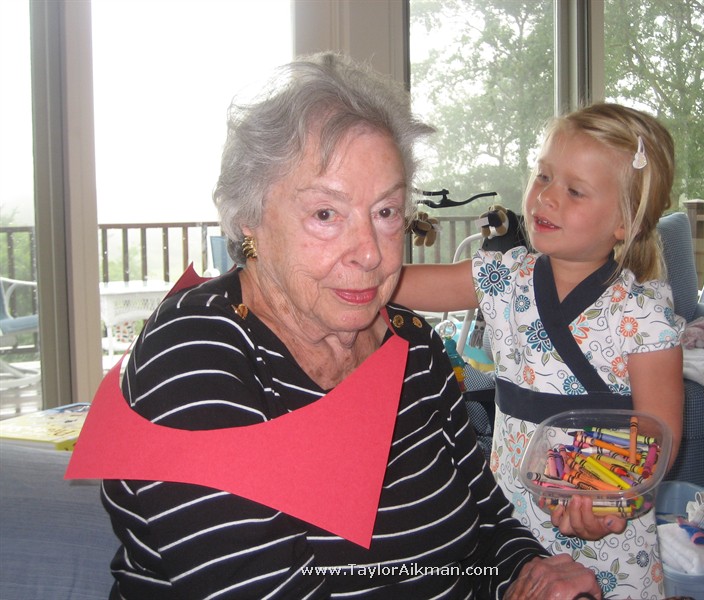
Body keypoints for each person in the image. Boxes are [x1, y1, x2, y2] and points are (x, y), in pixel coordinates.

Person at [95, 53, 602, 599]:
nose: (370, 253)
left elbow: (487, 522)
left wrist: (532, 574)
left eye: (385, 212)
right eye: (325, 214)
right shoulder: (192, 357)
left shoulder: (412, 345)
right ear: (250, 221)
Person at [393, 103, 685, 598]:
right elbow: (395, 284)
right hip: (509, 521)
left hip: (605, 534)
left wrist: (610, 501)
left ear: (624, 221)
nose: (546, 196)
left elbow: (661, 436)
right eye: (543, 175)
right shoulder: (502, 277)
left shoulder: (645, 316)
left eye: (574, 190)